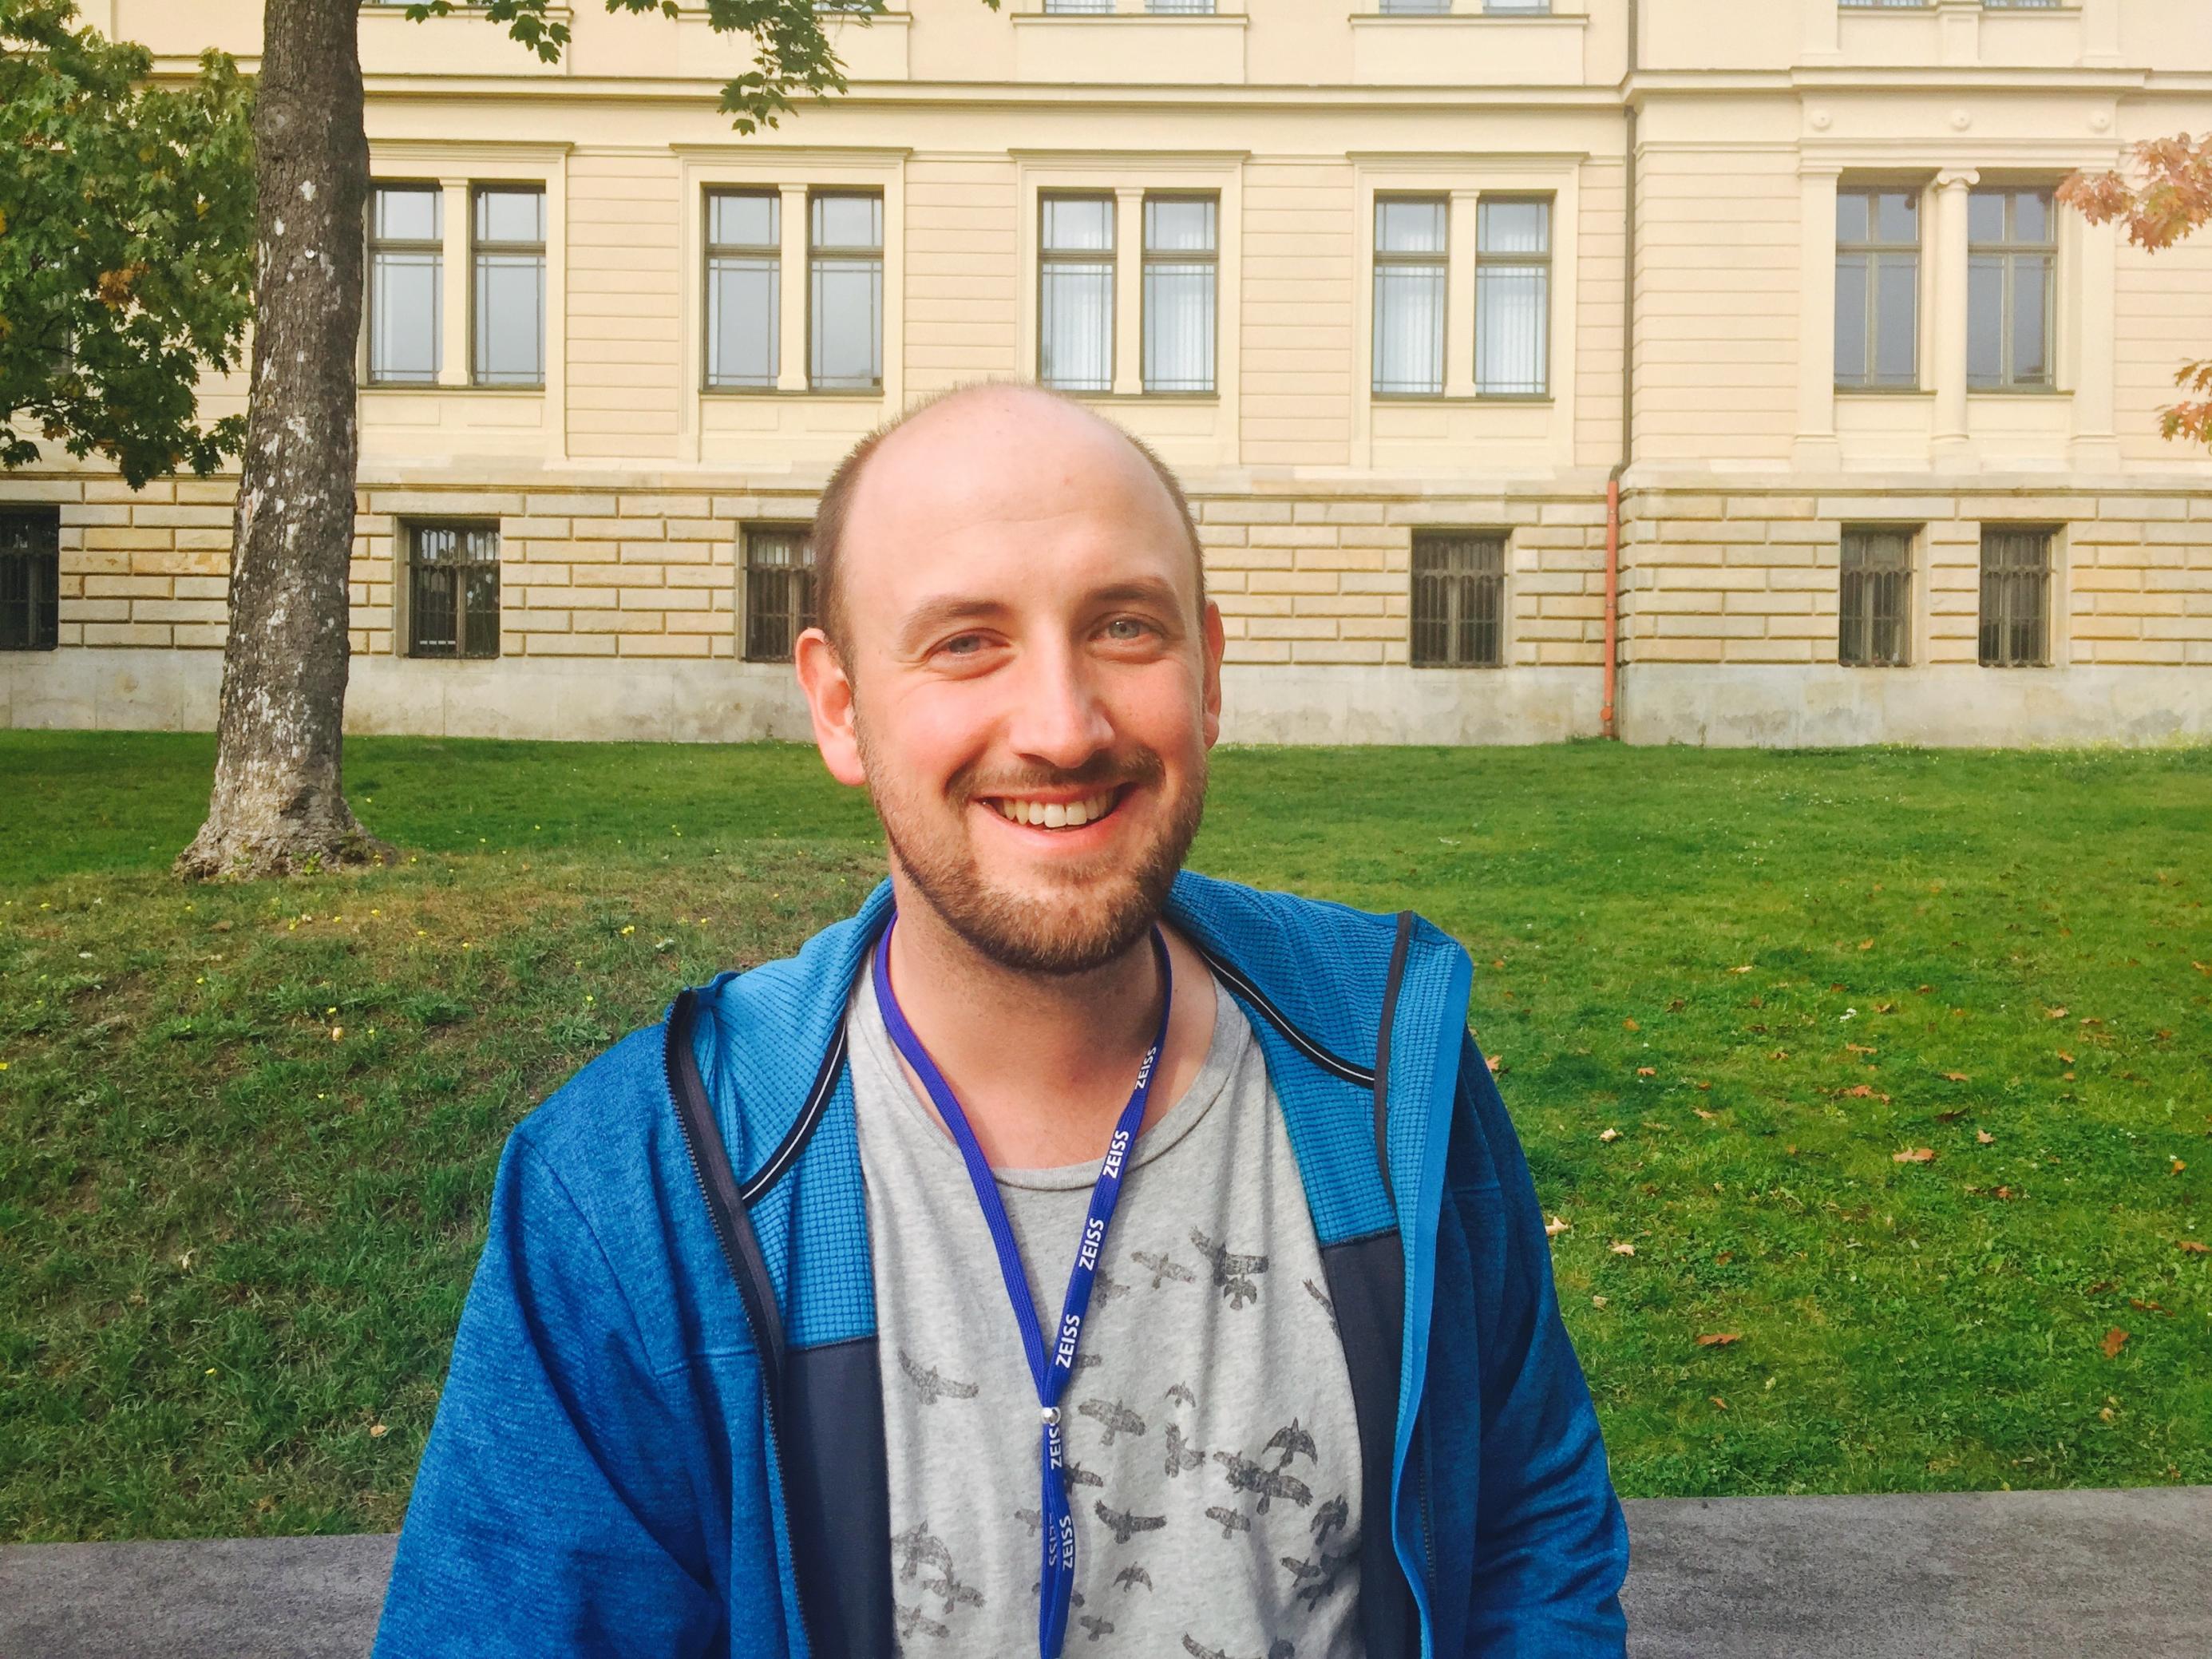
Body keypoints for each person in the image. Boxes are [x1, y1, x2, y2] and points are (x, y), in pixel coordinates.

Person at [372, 382, 1629, 1659]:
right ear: (842, 706)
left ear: (1208, 673)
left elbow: (1531, 1538)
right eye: (967, 641)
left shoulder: (1389, 1081)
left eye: (1124, 626)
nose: (1062, 727)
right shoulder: (639, 1192)